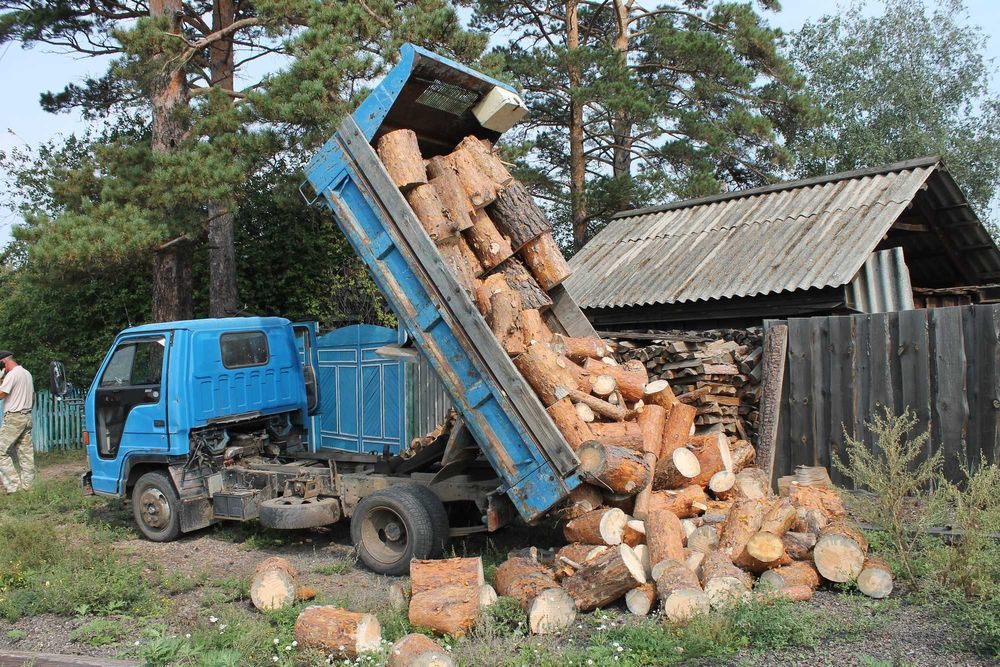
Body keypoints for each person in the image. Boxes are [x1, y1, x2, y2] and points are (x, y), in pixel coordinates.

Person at [0, 351, 34, 493]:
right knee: (26, 454)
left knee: (0, 451)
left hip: (14, 418)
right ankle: (28, 487)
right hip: (26, 416)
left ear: (3, 362)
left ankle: (14, 486)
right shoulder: (26, 373)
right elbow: (33, 397)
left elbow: (1, 395)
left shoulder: (12, 374)